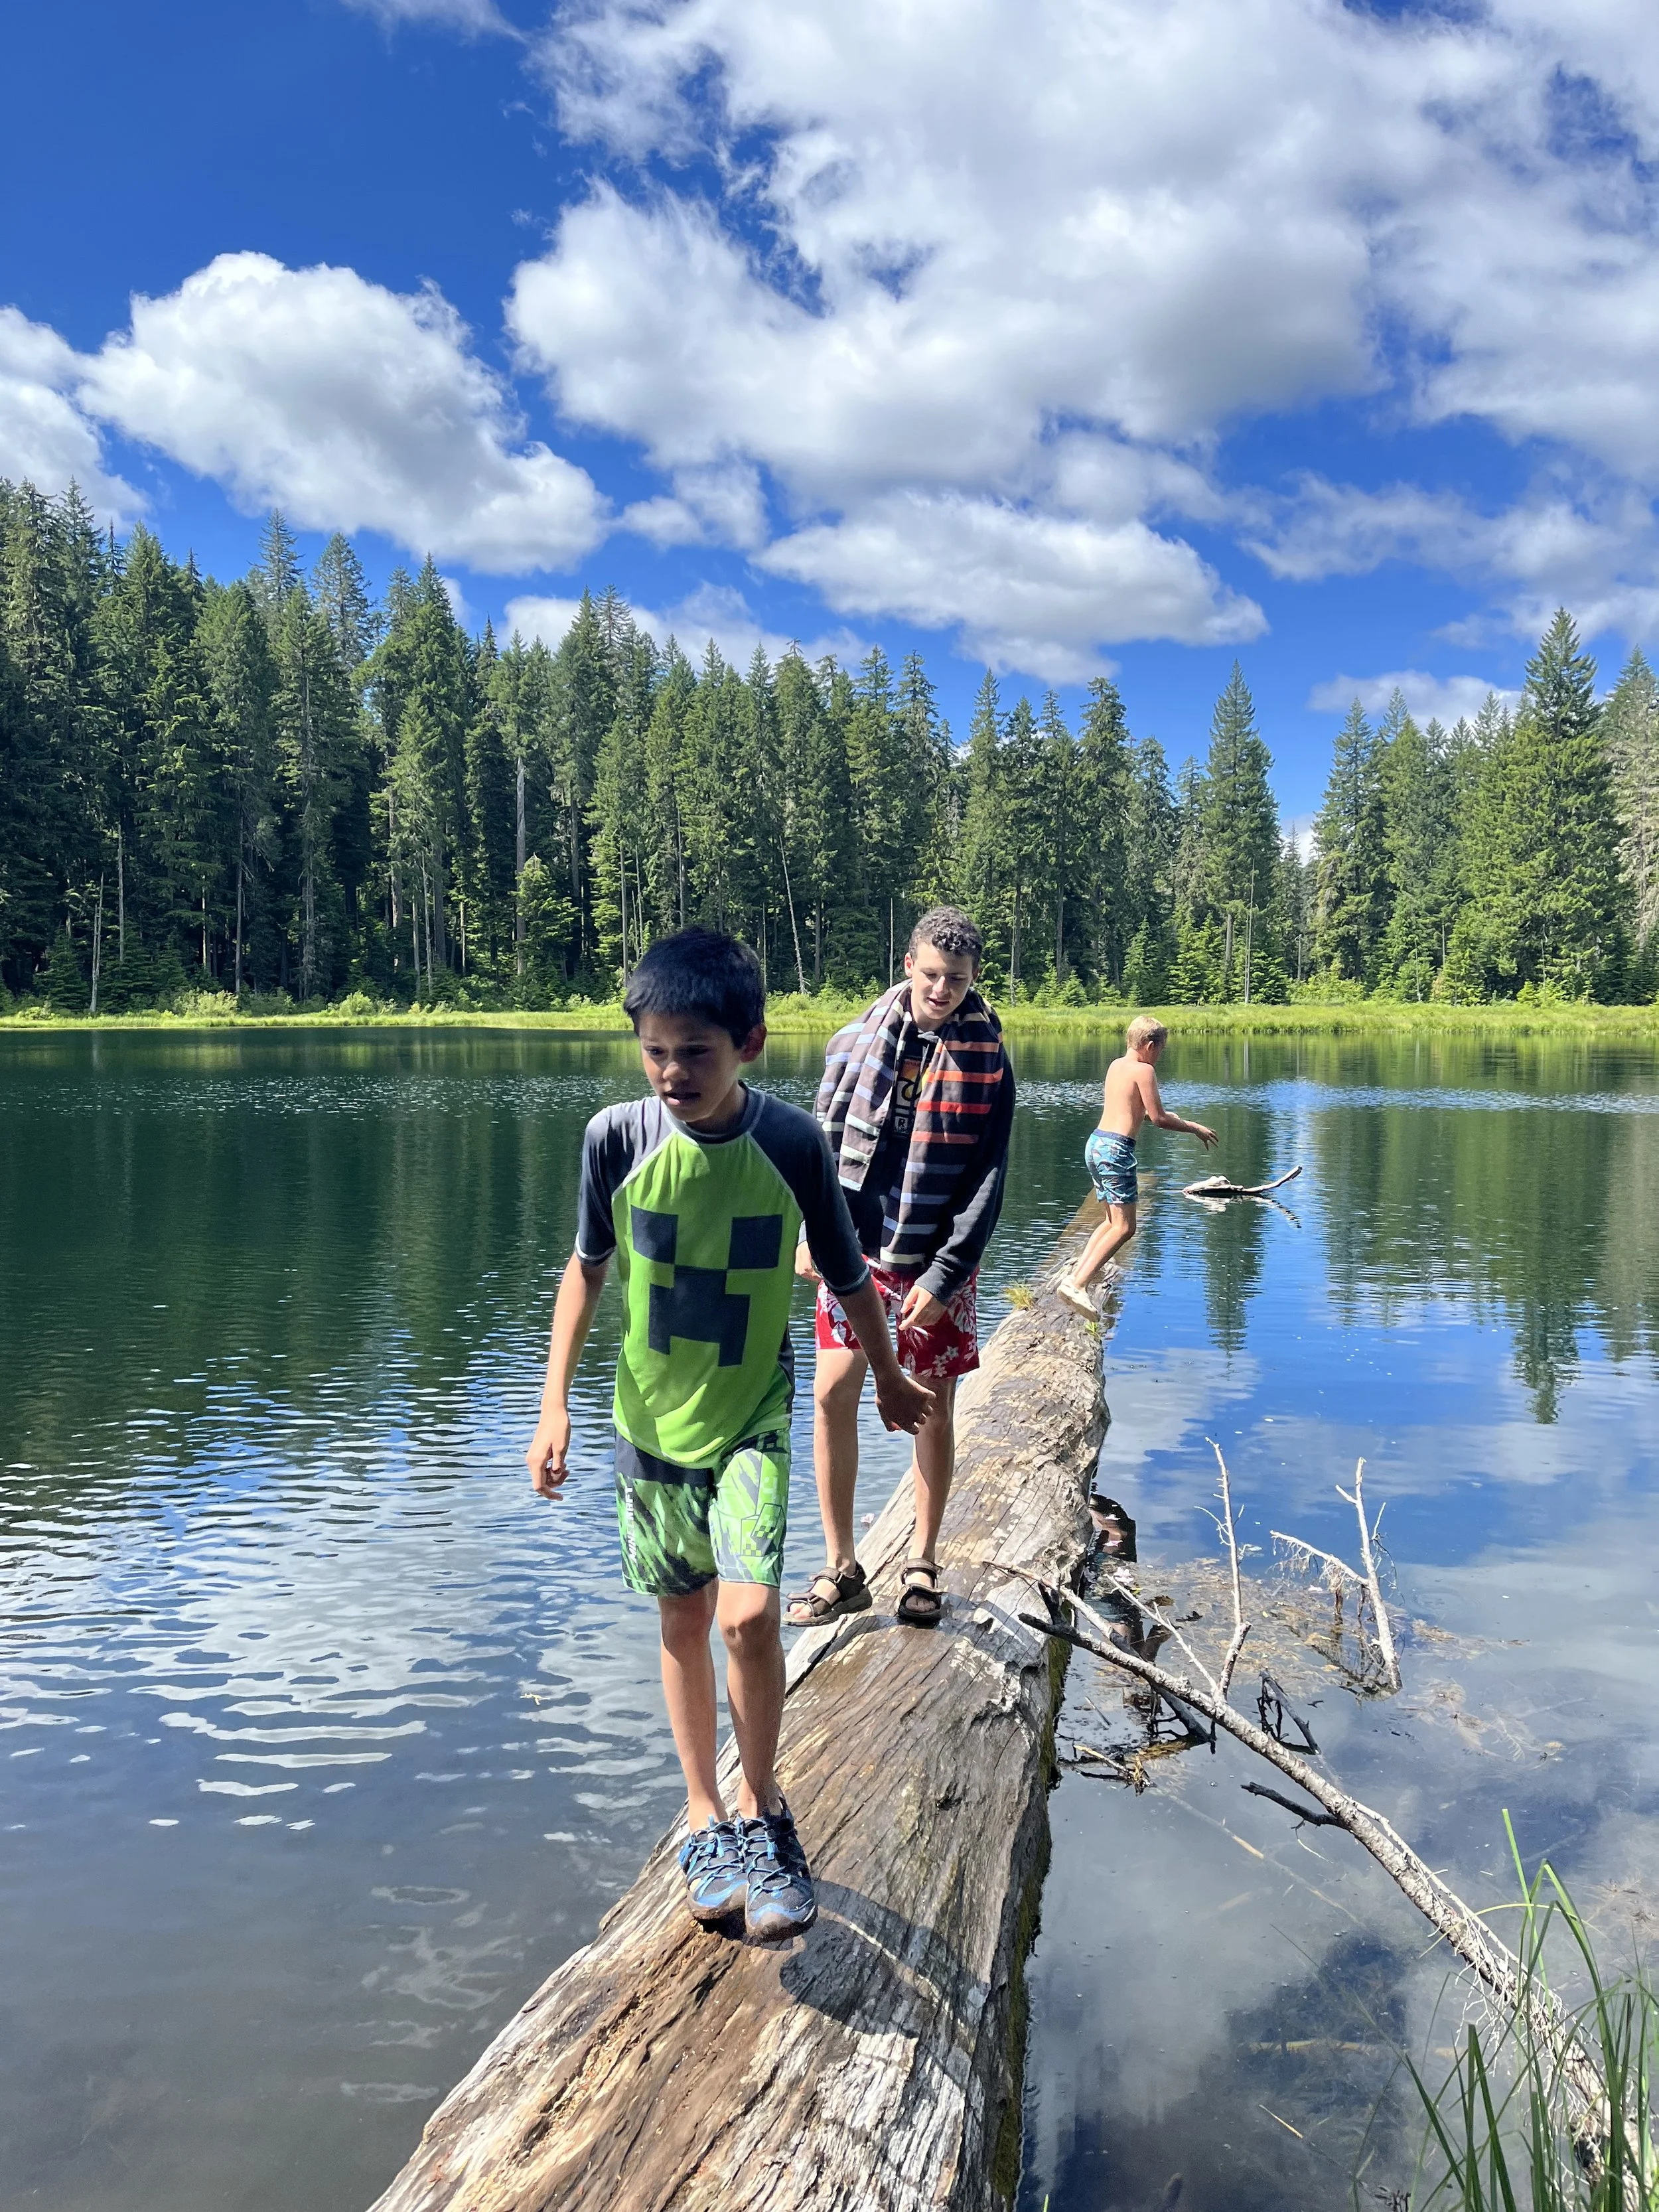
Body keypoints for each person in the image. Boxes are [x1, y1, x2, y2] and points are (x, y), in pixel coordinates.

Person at [524, 929, 931, 1945]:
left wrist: (884, 1373)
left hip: (751, 1416)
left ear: (749, 1042)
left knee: (748, 1619)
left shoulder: (792, 1144)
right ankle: (703, 1817)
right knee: (680, 1621)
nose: (672, 1073)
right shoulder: (614, 1138)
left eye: (695, 1052)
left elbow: (847, 1278)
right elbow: (587, 1268)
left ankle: (764, 1809)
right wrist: (552, 1403)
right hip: (650, 1423)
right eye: (655, 1050)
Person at [789, 907, 1013, 1631]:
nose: (941, 989)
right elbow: (820, 1151)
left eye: (956, 979)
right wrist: (811, 1231)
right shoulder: (858, 1040)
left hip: (933, 1259)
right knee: (830, 1395)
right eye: (930, 974)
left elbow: (987, 1177)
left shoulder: (988, 1060)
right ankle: (842, 1566)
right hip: (852, 1247)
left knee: (932, 1408)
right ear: (908, 965)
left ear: (974, 980)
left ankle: (921, 1560)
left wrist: (947, 1275)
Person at [1057, 1015, 1216, 1319]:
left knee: (1109, 1222)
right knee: (1126, 1227)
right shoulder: (1144, 1070)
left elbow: (1133, 1110)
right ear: (1150, 1044)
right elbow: (1158, 1119)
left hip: (1096, 1144)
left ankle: (1076, 1276)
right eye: (1160, 1050)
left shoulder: (1117, 1065)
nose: (1160, 1056)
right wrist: (1194, 1127)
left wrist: (1165, 1116)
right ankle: (1077, 1284)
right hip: (1116, 1150)